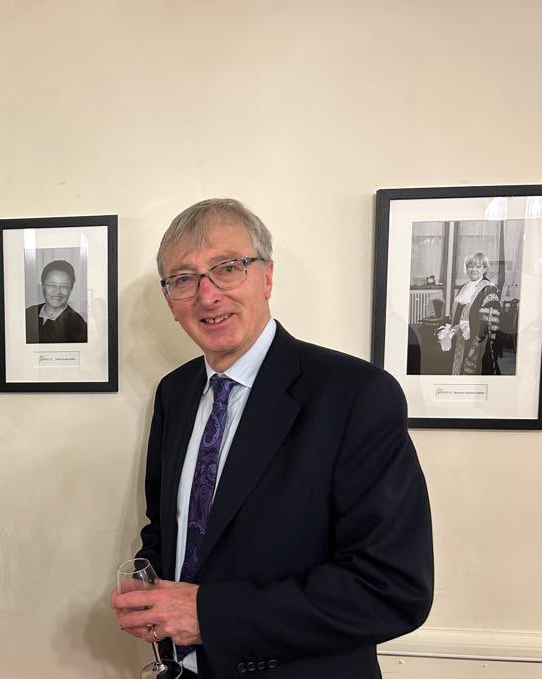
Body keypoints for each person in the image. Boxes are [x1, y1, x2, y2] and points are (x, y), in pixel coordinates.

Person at [111, 199, 433, 678]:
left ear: (266, 277)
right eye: (184, 279)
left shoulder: (355, 394)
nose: (207, 295)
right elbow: (168, 526)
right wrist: (151, 584)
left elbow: (391, 588)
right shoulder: (174, 393)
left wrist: (207, 615)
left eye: (227, 268)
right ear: (170, 301)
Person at [436, 251, 501, 375]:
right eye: (470, 266)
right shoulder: (464, 287)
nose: (473, 269)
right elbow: (457, 314)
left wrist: (464, 327)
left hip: (477, 342)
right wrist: (451, 329)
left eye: (478, 266)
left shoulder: (489, 289)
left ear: (485, 269)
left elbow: (488, 322)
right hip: (459, 340)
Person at [25, 259, 88, 343]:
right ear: (43, 286)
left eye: (64, 286)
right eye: (52, 285)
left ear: (71, 289)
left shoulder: (78, 325)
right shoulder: (29, 313)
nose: (57, 291)